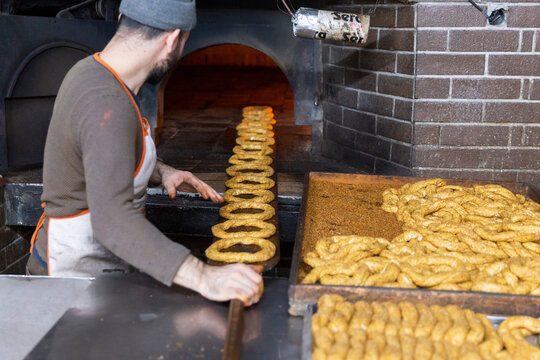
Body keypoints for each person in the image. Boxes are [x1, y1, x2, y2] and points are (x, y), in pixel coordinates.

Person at [26, 0, 263, 306]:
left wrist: (161, 170)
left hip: (101, 274)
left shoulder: (94, 73)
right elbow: (111, 220)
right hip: (71, 283)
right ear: (172, 40)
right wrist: (204, 276)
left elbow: (101, 153)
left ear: (123, 18)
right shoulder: (107, 101)